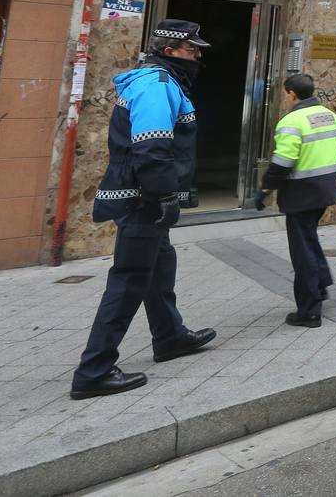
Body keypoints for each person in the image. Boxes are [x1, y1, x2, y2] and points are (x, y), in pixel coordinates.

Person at [71, 20, 217, 400]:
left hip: (143, 194)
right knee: (130, 278)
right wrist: (164, 195)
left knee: (159, 265)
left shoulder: (156, 80)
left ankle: (170, 337)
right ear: (169, 51)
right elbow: (152, 147)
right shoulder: (157, 85)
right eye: (191, 50)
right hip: (143, 198)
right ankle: (94, 370)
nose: (198, 56)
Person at [253, 73, 336, 327]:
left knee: (301, 250)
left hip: (301, 193)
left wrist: (264, 191)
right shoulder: (331, 116)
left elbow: (282, 163)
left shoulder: (291, 121)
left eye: (286, 94)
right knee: (309, 237)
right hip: (324, 191)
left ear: (291, 94)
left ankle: (309, 310)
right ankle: (322, 283)